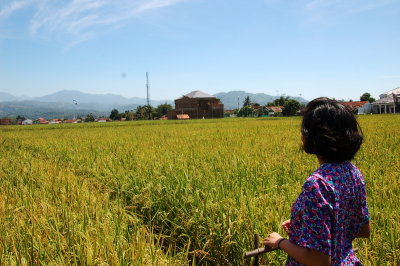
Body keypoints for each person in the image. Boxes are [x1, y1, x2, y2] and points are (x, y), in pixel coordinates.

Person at [263, 97, 370, 265]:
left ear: (315, 136)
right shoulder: (353, 173)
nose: (301, 133)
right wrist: (304, 221)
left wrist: (280, 242)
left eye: (304, 129)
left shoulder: (317, 184)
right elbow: (363, 229)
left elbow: (319, 261)